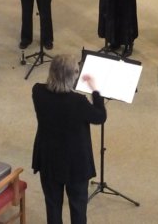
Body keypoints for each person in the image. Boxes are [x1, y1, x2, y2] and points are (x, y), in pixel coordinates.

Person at [32, 54, 106, 224]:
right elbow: (100, 117)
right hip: (76, 164)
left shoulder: (37, 91)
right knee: (78, 207)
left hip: (49, 159)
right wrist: (95, 91)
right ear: (72, 76)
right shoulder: (78, 102)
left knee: (52, 205)